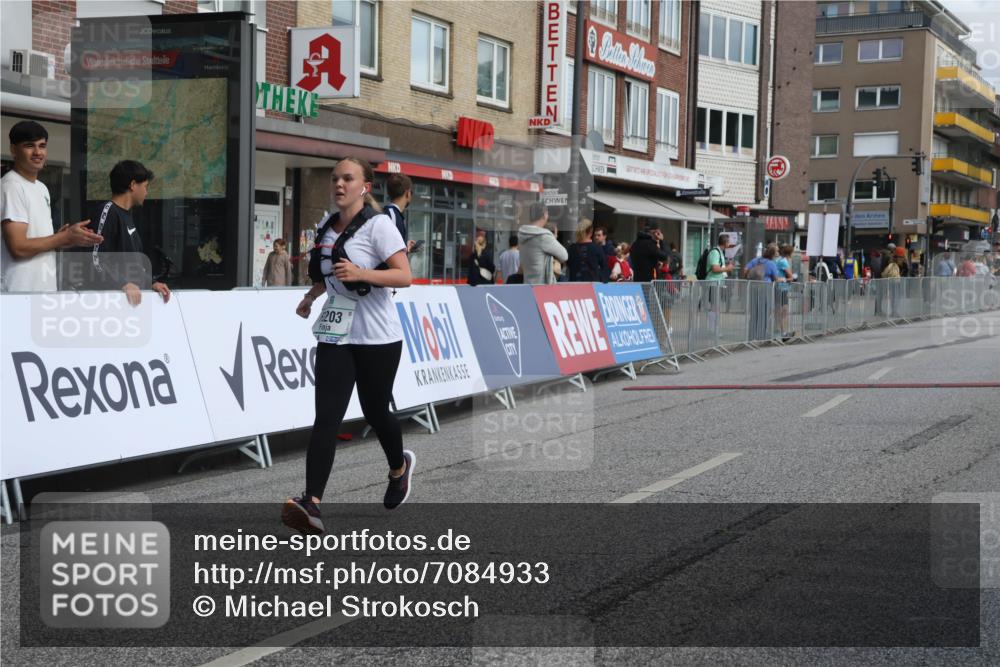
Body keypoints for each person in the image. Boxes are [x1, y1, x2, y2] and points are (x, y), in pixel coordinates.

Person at [282, 157, 414, 535]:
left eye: (348, 178)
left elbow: (404, 276)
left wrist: (362, 274)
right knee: (327, 417)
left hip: (377, 336)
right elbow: (330, 274)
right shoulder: (326, 225)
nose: (339, 184)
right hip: (336, 335)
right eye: (335, 178)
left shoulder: (379, 226)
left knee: (375, 411)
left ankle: (398, 467)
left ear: (365, 186)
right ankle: (312, 503)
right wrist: (311, 296)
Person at [1, 120, 101, 292]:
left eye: (42, 145)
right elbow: (18, 247)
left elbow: (36, 242)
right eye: (29, 145)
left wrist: (66, 239)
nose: (38, 152)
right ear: (13, 150)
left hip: (42, 293)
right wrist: (62, 238)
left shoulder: (41, 188)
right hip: (16, 294)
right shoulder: (11, 186)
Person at [83, 160, 171, 305]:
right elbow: (95, 259)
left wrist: (151, 283)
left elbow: (132, 265)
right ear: (132, 185)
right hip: (109, 305)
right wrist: (122, 283)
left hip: (128, 304)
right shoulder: (108, 211)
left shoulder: (127, 215)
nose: (146, 192)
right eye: (145, 187)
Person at [518, 202, 567, 285]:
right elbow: (564, 256)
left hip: (527, 284)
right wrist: (553, 239)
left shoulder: (522, 234)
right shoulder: (544, 236)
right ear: (544, 215)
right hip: (542, 286)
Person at [383, 173, 417, 254]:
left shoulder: (390, 213)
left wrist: (405, 247)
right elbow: (390, 252)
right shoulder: (392, 216)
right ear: (408, 193)